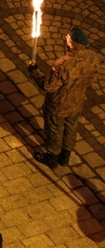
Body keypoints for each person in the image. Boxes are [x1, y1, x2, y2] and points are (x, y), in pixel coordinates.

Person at [28, 26, 100, 169]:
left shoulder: (62, 64)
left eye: (68, 37)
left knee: (55, 128)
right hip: (77, 101)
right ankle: (65, 155)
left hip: (58, 104)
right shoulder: (92, 57)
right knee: (71, 126)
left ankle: (52, 156)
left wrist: (34, 72)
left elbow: (48, 86)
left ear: (71, 44)